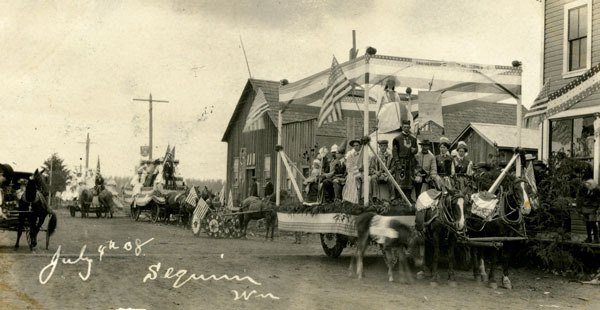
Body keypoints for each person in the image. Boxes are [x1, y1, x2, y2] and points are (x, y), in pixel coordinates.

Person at [392, 120, 418, 202]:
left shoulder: (413, 139)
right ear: (402, 127)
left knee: (409, 180)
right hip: (401, 161)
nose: (406, 128)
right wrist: (397, 162)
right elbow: (394, 152)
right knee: (400, 179)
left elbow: (416, 149)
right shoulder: (397, 139)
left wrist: (415, 150)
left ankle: (408, 197)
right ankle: (398, 197)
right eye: (405, 127)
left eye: (408, 127)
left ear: (410, 127)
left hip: (410, 162)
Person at [576, 179, 600, 243]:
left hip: (593, 209)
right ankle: (589, 238)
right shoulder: (586, 190)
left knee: (592, 223)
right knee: (587, 224)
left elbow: (598, 201)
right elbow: (582, 198)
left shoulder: (597, 191)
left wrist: (596, 207)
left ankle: (596, 238)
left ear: (592, 185)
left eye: (588, 186)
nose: (587, 187)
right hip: (585, 209)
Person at [343, 139, 362, 204]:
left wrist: (359, 169)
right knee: (351, 177)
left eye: (357, 145)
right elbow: (349, 166)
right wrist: (355, 171)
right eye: (354, 146)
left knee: (357, 177)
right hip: (353, 172)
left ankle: (358, 199)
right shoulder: (350, 154)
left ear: (360, 146)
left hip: (361, 171)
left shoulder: (363, 154)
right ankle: (351, 199)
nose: (355, 147)